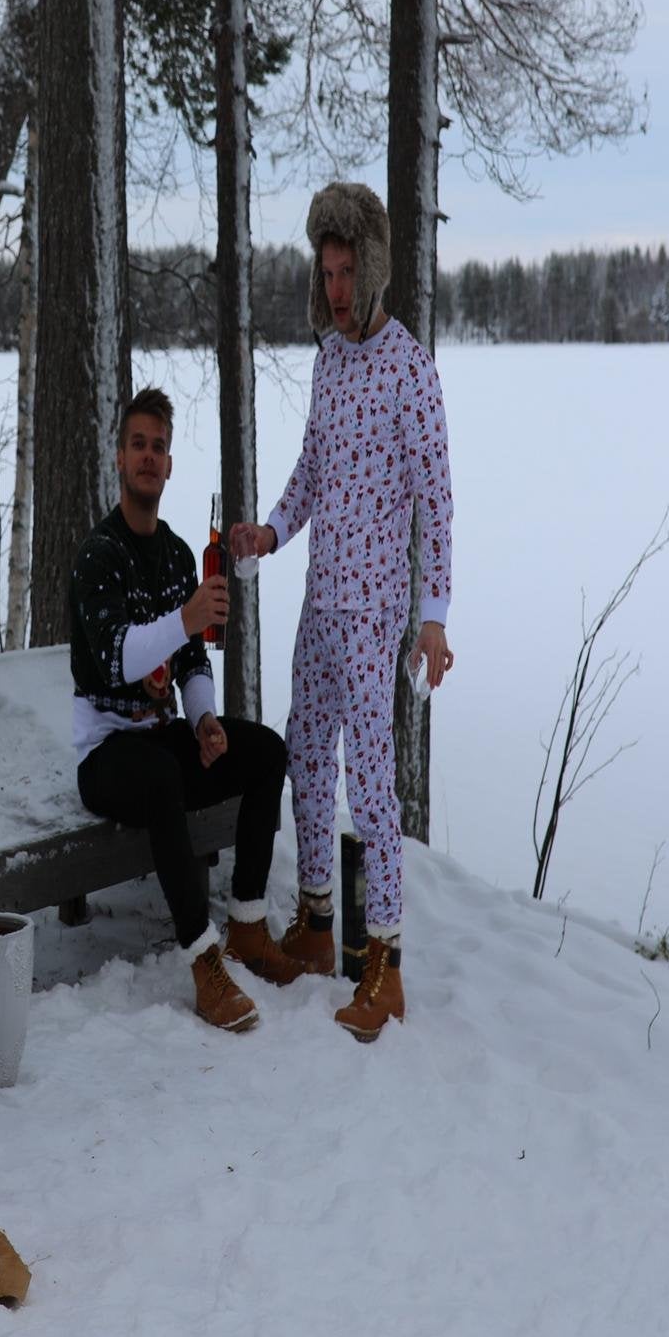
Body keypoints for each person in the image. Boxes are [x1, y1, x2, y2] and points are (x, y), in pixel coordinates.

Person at [228, 182, 455, 1042]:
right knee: (304, 760)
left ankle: (385, 967)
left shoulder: (409, 367)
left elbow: (436, 499)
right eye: (325, 273)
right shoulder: (329, 362)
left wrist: (431, 613)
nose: (334, 290)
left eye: (347, 272)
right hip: (319, 604)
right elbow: (312, 471)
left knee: (372, 783)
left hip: (372, 615)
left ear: (375, 272)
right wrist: (270, 532)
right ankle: (319, 926)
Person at [69, 385, 304, 1033]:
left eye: (160, 447)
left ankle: (249, 926)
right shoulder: (101, 556)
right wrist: (188, 617)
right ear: (120, 458)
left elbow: (194, 663)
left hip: (163, 734)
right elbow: (118, 655)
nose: (149, 457)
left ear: (170, 464)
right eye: (138, 444)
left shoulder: (175, 554)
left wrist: (203, 718)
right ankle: (204, 963)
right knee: (162, 777)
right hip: (106, 754)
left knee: (262, 752)